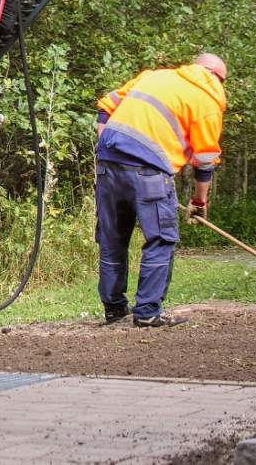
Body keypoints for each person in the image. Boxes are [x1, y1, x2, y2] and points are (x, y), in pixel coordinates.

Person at [94, 53, 227, 327]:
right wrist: (199, 202)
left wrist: (105, 146)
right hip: (149, 172)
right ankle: (147, 312)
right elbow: (204, 161)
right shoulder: (208, 101)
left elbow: (105, 107)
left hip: (108, 165)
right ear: (216, 77)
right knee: (160, 239)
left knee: (112, 240)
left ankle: (115, 310)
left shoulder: (154, 76)